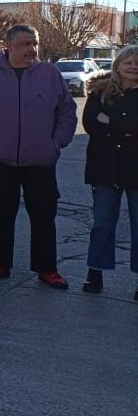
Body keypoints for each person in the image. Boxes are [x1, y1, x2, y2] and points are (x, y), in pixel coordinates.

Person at [0, 24, 77, 289]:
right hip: (0, 160)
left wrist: (56, 143)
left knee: (44, 215)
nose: (32, 49)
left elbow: (67, 112)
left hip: (41, 161)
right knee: (1, 214)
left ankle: (47, 269)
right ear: (9, 46)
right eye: (25, 44)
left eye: (35, 43)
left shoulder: (49, 74)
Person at [79, 45, 138, 298]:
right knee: (103, 223)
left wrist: (111, 123)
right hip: (105, 167)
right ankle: (95, 272)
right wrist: (125, 129)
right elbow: (91, 124)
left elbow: (117, 124)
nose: (133, 66)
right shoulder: (99, 91)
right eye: (128, 62)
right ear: (118, 64)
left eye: (137, 63)